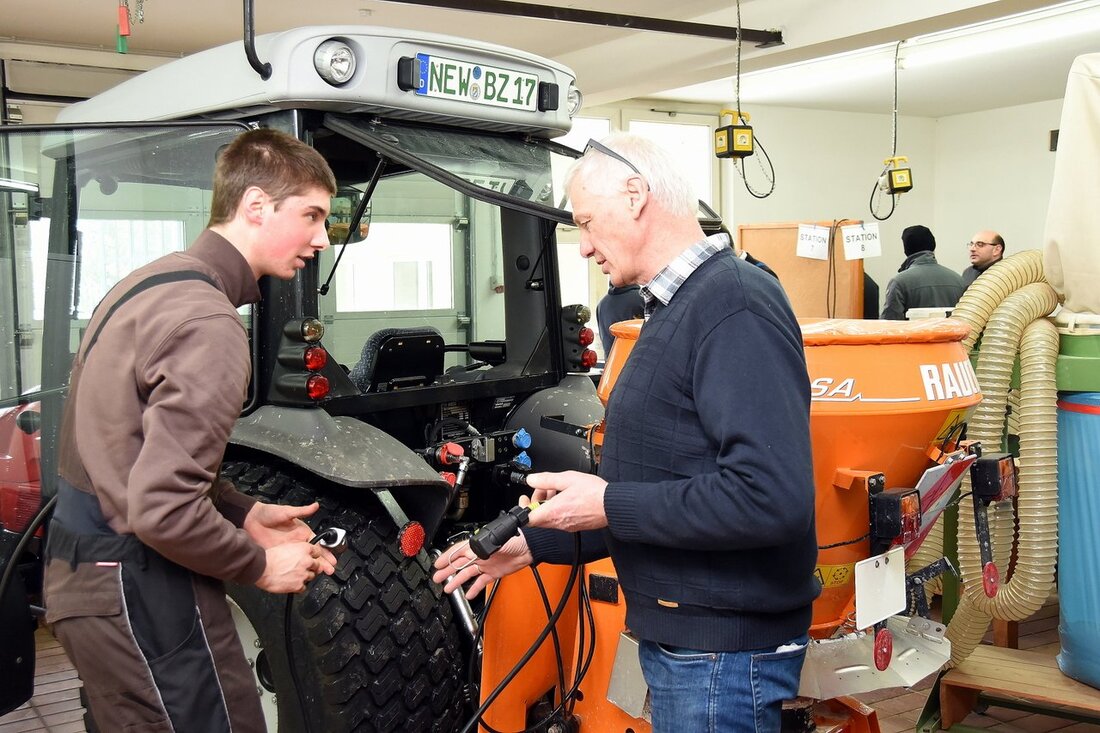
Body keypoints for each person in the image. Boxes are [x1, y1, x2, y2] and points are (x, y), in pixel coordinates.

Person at [434, 133, 819, 732]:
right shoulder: (669, 310)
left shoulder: (733, 305)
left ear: (637, 196)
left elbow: (770, 499)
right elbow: (663, 490)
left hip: (720, 658)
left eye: (586, 223)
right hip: (693, 647)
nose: (583, 247)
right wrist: (535, 544)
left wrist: (607, 500)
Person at [43, 128, 340, 733]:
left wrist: (239, 511)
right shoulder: (208, 322)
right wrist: (258, 564)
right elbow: (162, 510)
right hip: (138, 589)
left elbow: (128, 450)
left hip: (90, 580)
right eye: (311, 215)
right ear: (255, 205)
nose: (321, 238)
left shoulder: (149, 284)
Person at [881, 224, 966, 320]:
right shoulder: (959, 280)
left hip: (914, 335)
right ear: (933, 245)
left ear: (906, 249)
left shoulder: (899, 282)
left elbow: (889, 326)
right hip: (951, 335)